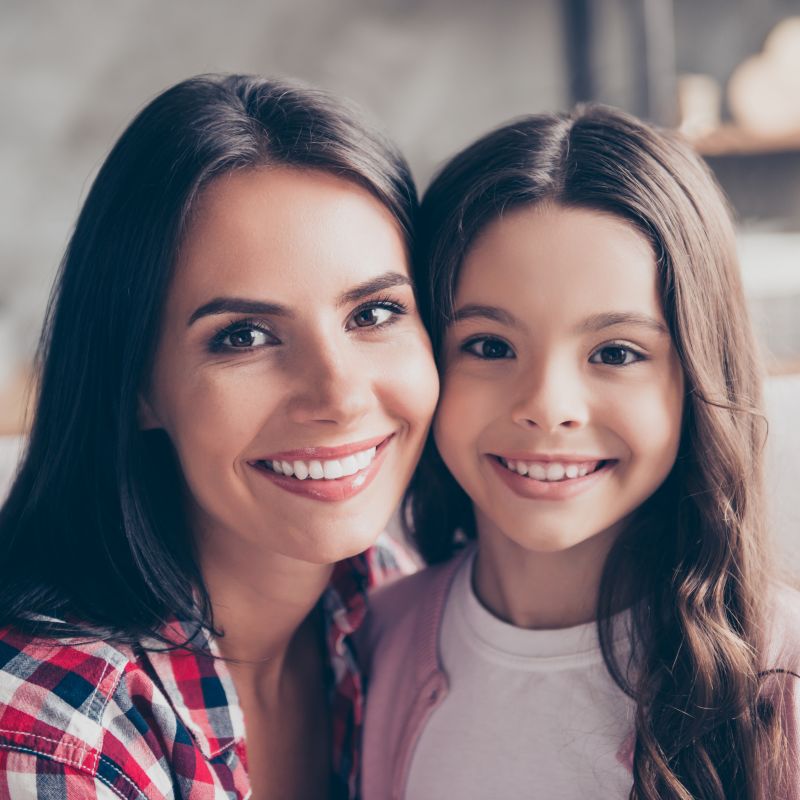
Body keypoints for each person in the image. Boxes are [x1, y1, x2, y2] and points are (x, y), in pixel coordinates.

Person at [0, 74, 438, 799]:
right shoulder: (58, 735)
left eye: (374, 313)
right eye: (244, 336)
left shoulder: (389, 588)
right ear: (137, 387)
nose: (339, 397)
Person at [359, 105, 800, 799]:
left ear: (698, 376)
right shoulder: (372, 639)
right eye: (490, 346)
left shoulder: (782, 677)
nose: (548, 405)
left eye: (616, 353)